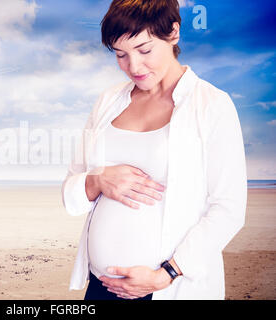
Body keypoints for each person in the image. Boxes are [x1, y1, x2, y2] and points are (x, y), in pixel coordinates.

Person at [61, 0, 247, 300]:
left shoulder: (212, 105)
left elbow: (229, 210)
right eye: (121, 55)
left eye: (144, 50)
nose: (133, 66)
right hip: (102, 287)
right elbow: (71, 189)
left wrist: (166, 274)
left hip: (169, 289)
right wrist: (97, 180)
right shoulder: (108, 102)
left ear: (173, 33)